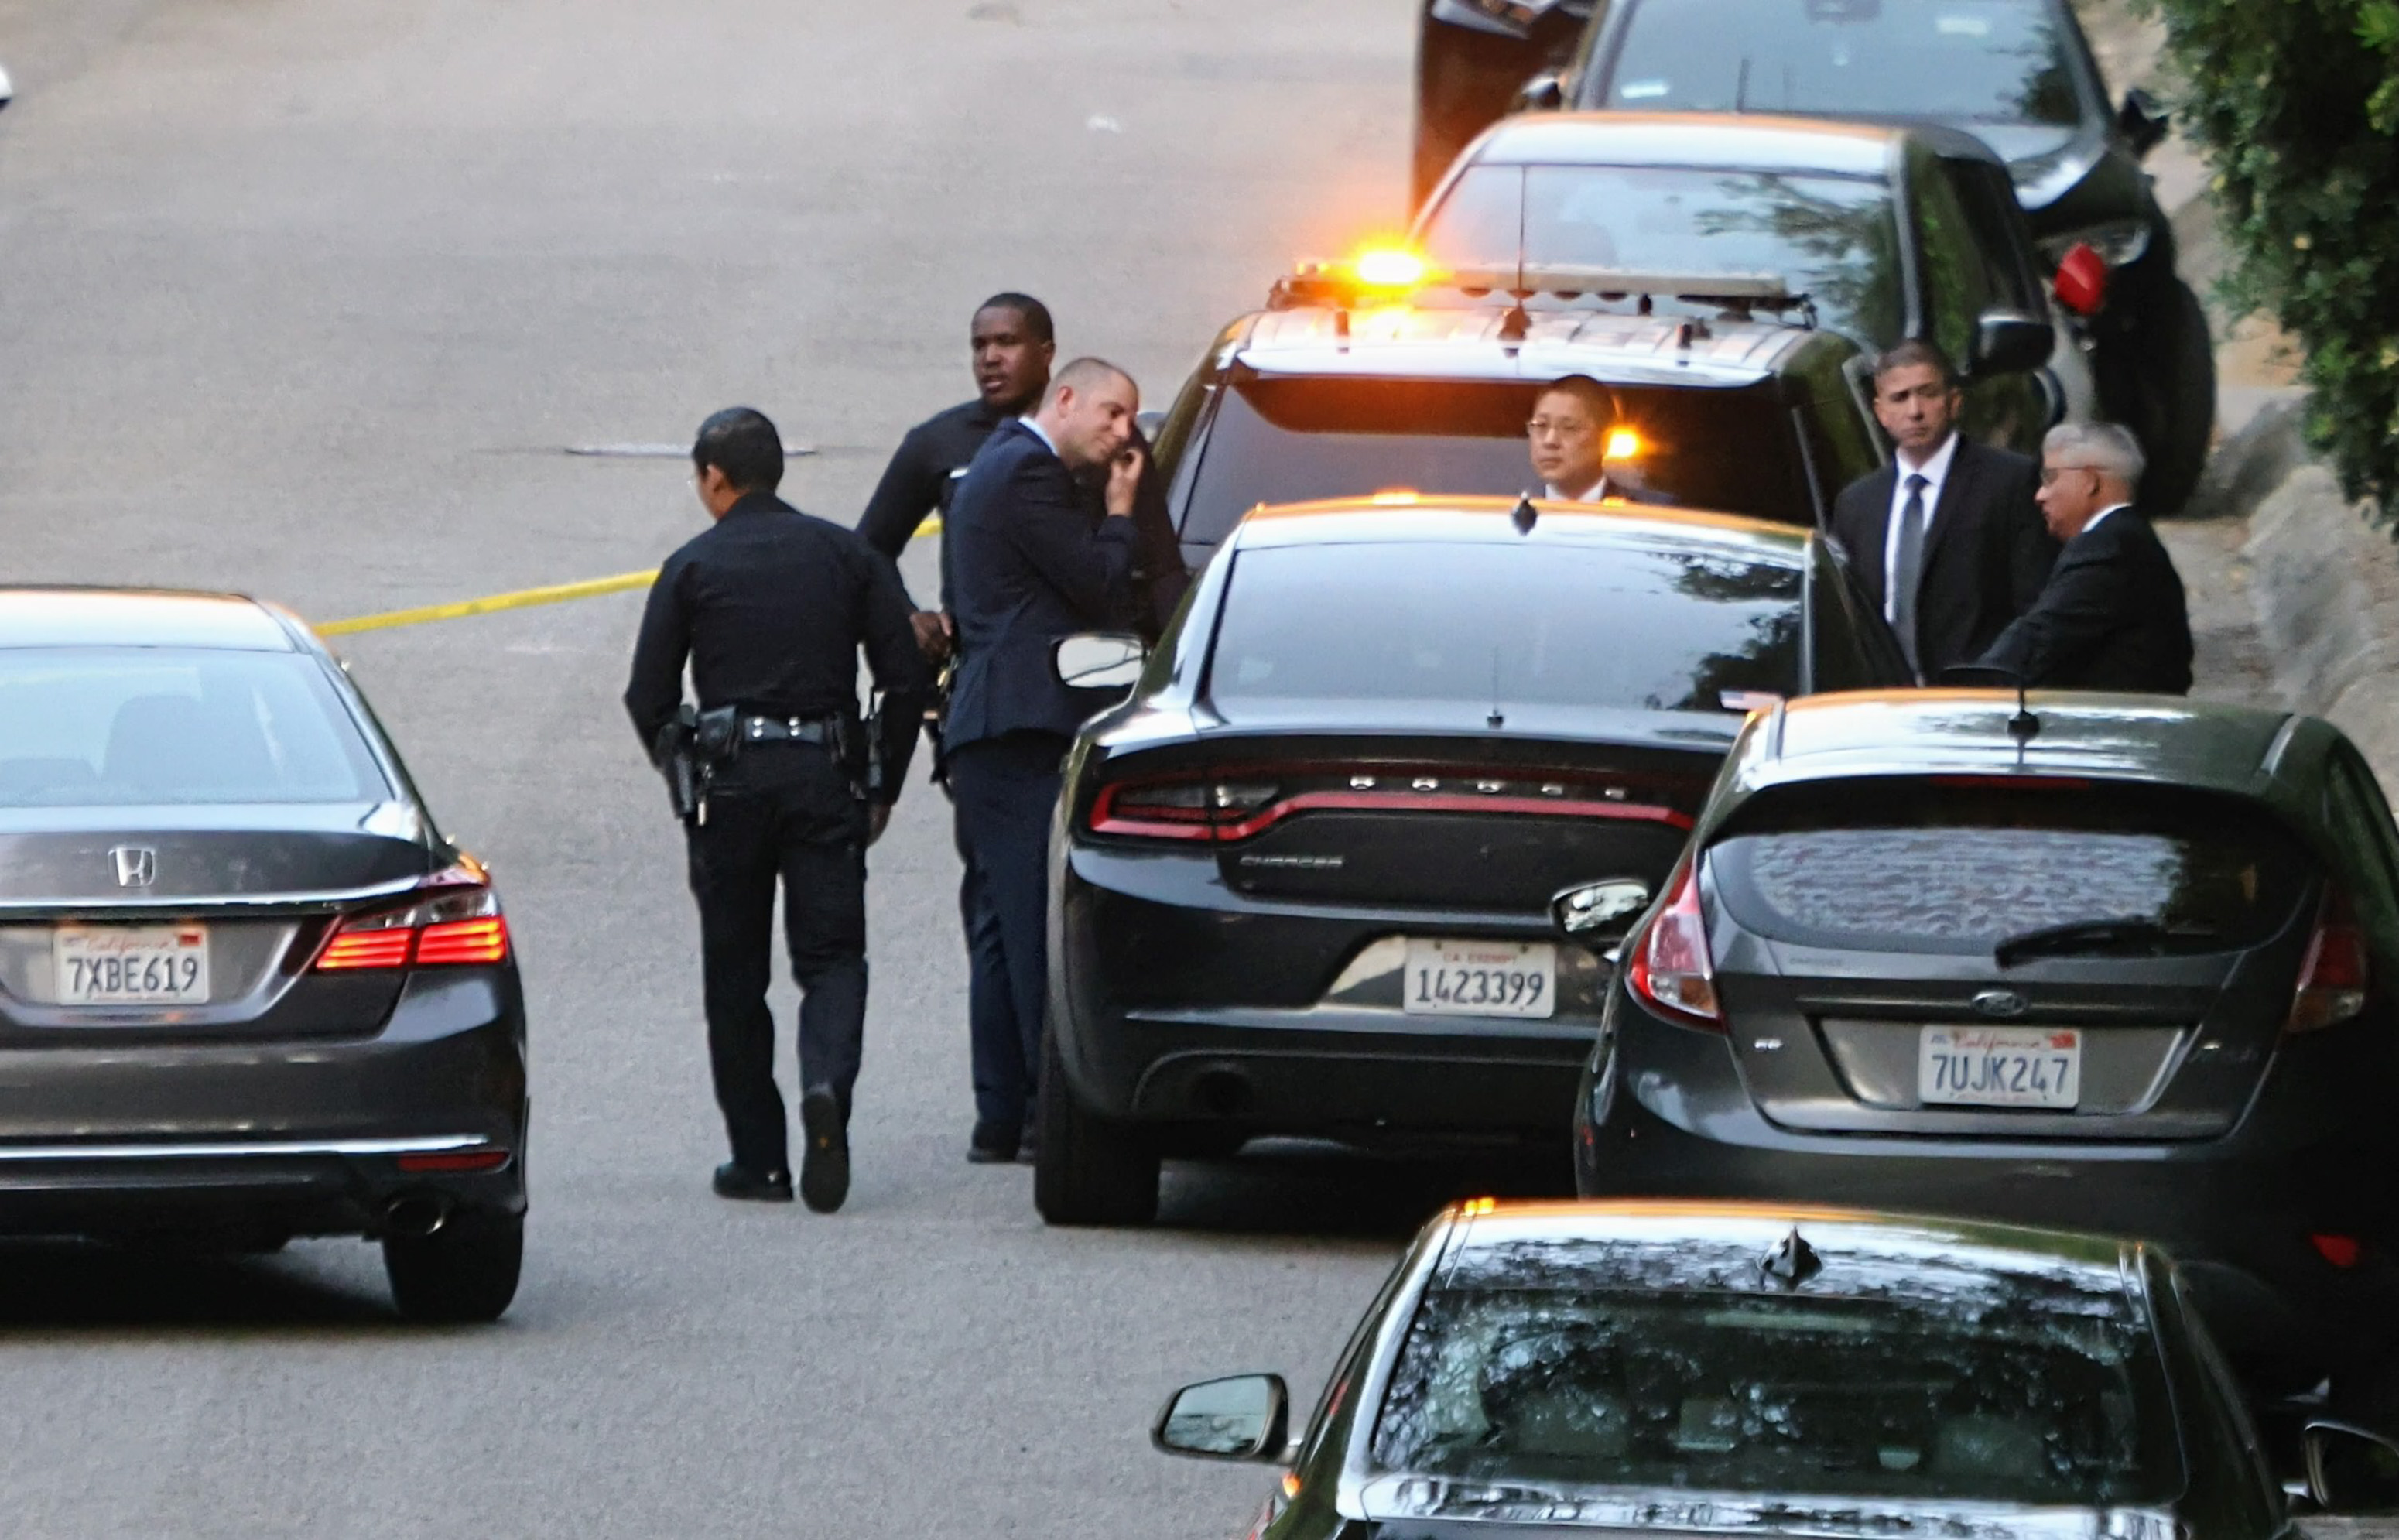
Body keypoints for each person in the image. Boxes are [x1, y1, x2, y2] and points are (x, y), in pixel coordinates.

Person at [624, 407, 933, 1213]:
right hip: (825, 776)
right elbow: (905, 676)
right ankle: (826, 1086)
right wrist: (883, 780)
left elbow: (648, 693)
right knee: (831, 957)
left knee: (735, 971)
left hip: (729, 784)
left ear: (712, 479)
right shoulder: (848, 554)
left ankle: (758, 1158)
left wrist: (679, 766)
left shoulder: (692, 565)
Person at [943, 358, 1143, 1163]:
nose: (1123, 433)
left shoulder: (1000, 460)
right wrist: (1121, 510)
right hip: (1019, 726)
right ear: (1064, 399)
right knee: (1030, 928)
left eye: (1129, 419)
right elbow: (1098, 584)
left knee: (999, 923)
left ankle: (1003, 1113)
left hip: (993, 728)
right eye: (1112, 413)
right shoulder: (1027, 473)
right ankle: (1033, 1113)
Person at [1830, 341, 2057, 682]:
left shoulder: (2008, 482)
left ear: (1954, 402)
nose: (1915, 411)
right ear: (1881, 413)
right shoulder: (1857, 503)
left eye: (1928, 394)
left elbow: (2035, 603)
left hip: (1976, 699)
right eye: (1900, 398)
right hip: (1882, 703)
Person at [1968, 422, 2194, 693]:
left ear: (2089, 481)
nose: (2040, 495)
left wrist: (1973, 691)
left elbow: (2041, 636)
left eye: (2050, 478)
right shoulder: (2129, 538)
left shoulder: (2108, 547)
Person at [1528, 375, 1672, 504]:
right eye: (1541, 425)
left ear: (1606, 441)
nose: (1550, 441)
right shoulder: (1510, 508)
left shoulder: (1651, 513)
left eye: (1569, 428)